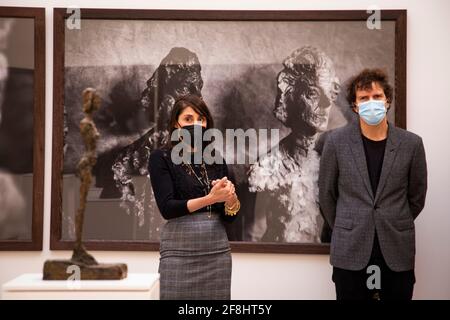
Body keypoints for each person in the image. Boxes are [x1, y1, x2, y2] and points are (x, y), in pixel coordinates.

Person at [319, 69, 427, 300]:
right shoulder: (336, 142)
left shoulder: (411, 144)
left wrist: (393, 219)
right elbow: (327, 195)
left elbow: (417, 197)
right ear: (355, 105)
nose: (371, 103)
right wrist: (347, 225)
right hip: (351, 248)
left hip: (396, 247)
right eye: (363, 98)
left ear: (387, 101)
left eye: (377, 97)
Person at [148, 94, 240, 300]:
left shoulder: (216, 159)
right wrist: (211, 198)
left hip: (217, 253)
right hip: (178, 253)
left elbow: (230, 217)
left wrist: (230, 199)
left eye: (201, 119)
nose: (196, 124)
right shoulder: (161, 158)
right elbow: (167, 208)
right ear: (176, 124)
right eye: (189, 119)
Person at [247, 46, 340, 242]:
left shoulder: (333, 161)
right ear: (292, 97)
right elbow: (254, 234)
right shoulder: (268, 166)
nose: (325, 104)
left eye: (329, 94)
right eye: (313, 94)